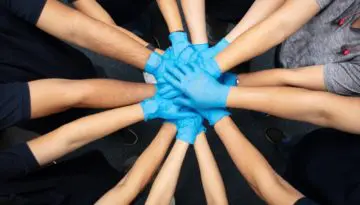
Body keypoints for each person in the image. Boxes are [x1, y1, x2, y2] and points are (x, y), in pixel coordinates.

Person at [0, 0, 177, 135]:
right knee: (77, 123)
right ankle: (119, 129)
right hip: (36, 106)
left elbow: (74, 27)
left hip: (61, 59)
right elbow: (72, 94)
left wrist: (156, 57)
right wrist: (161, 88)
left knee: (92, 77)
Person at [0, 92, 196, 204]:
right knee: (137, 195)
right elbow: (124, 192)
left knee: (101, 178)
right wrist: (175, 128)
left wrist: (152, 104)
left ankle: (134, 172)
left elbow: (64, 139)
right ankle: (145, 181)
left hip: (62, 184)